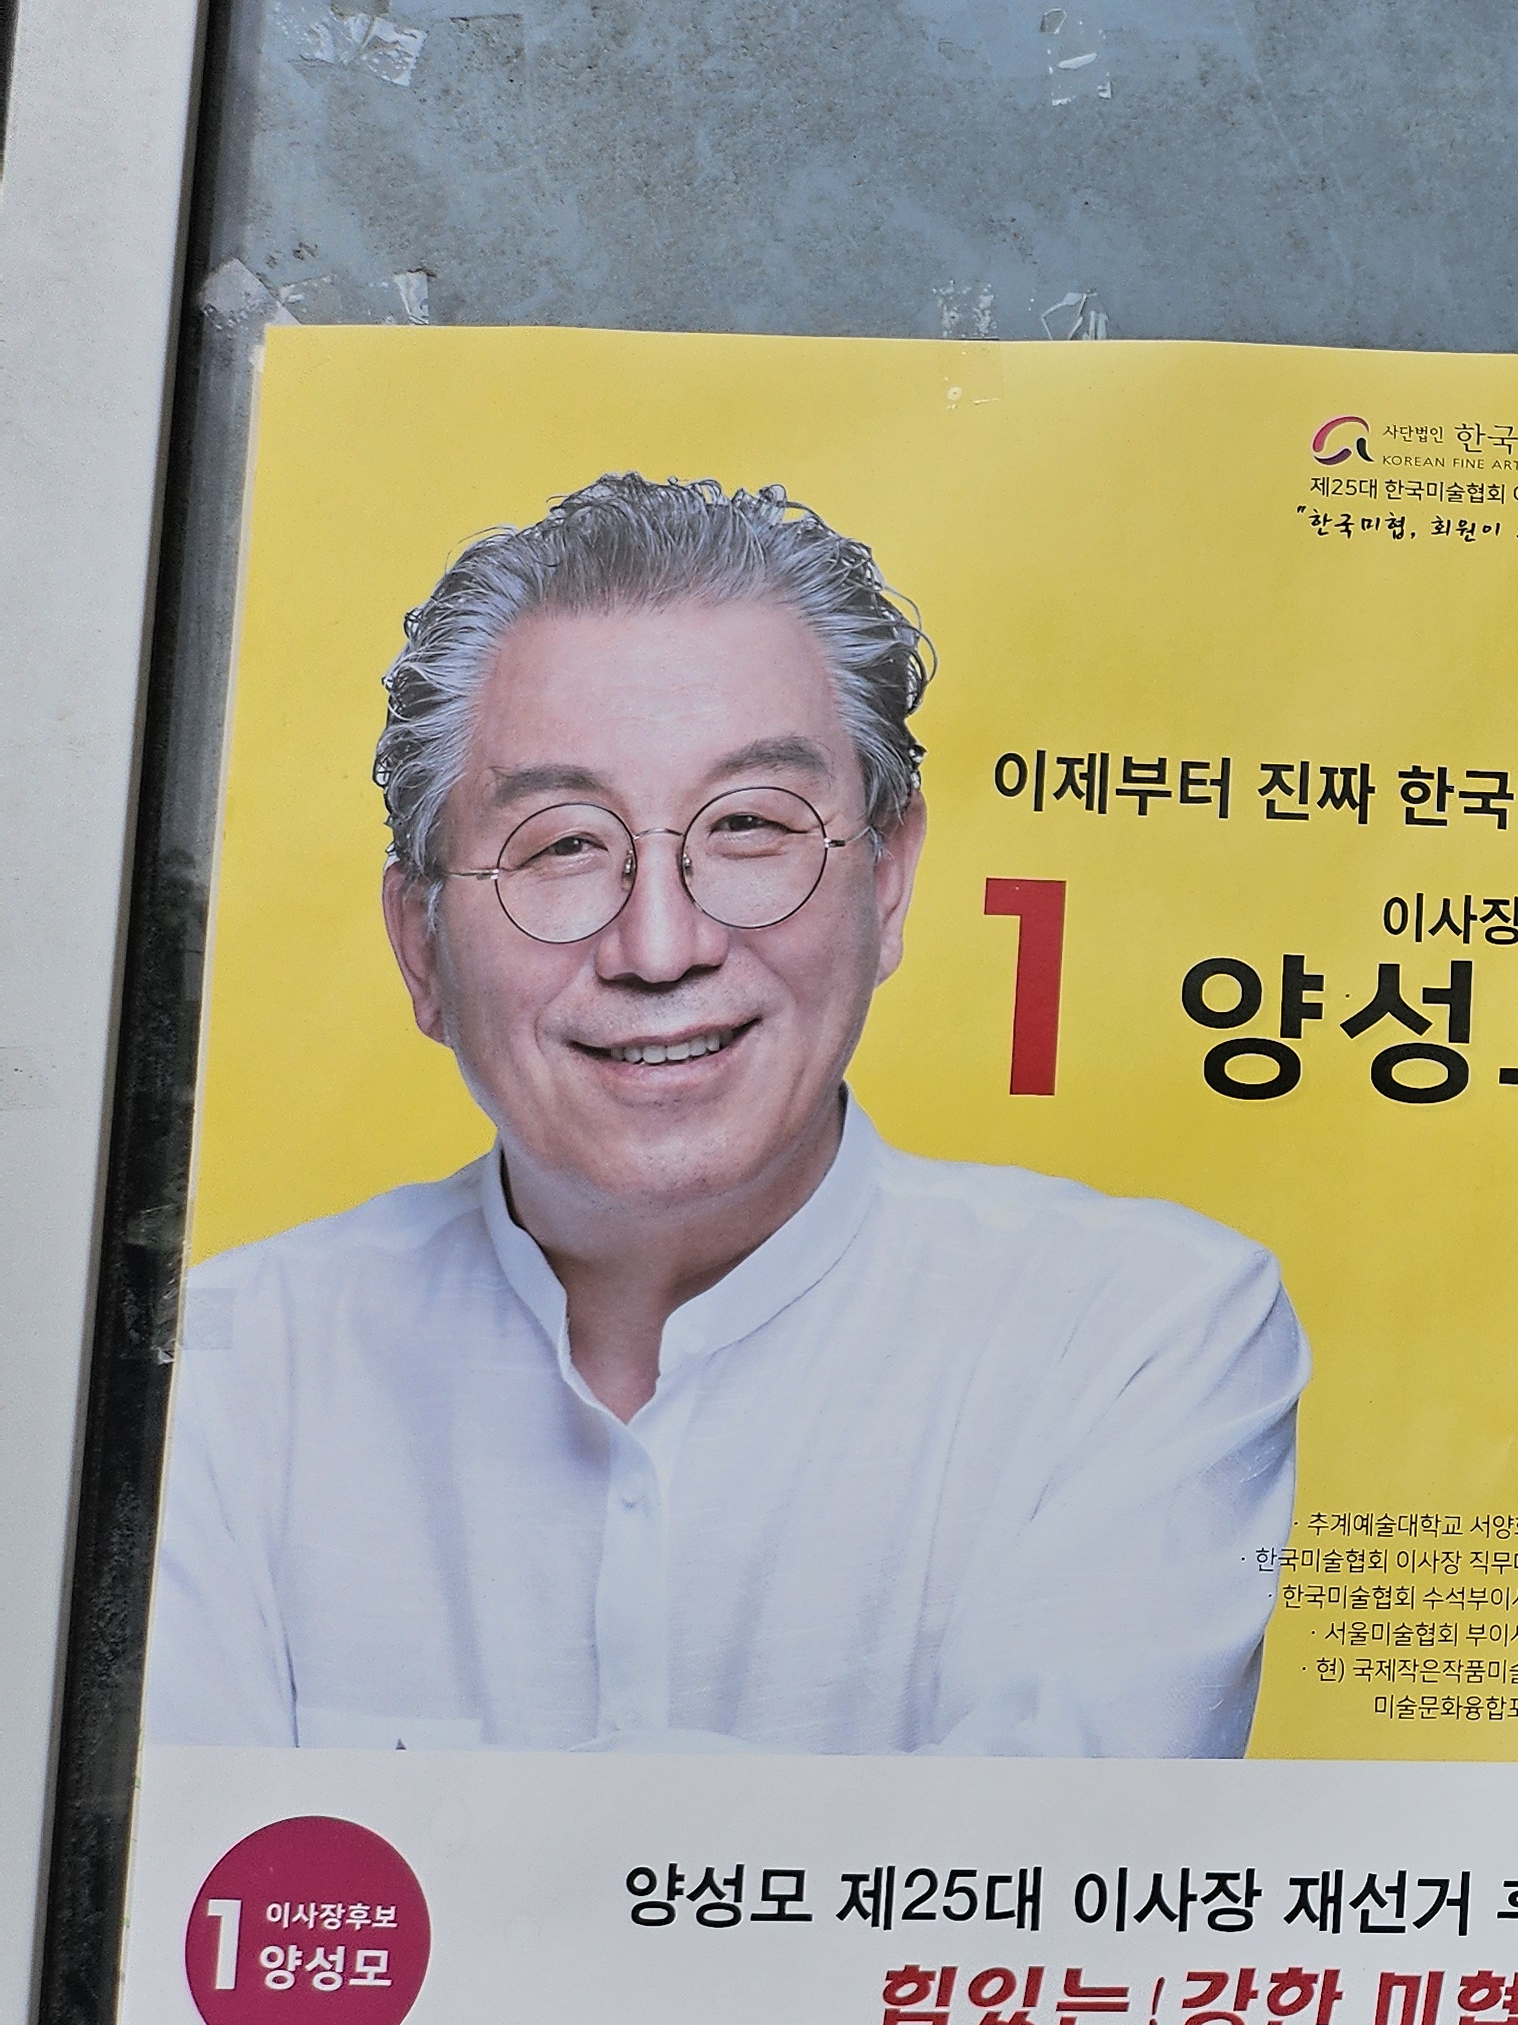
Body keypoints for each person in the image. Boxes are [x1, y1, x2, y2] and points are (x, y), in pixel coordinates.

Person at [145, 475, 1309, 1757]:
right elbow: (159, 1872)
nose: (660, 946)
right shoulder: (219, 1374)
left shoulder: (1143, 1335)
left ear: (889, 881)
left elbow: (1038, 1867)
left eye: (751, 826)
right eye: (562, 845)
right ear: (420, 944)